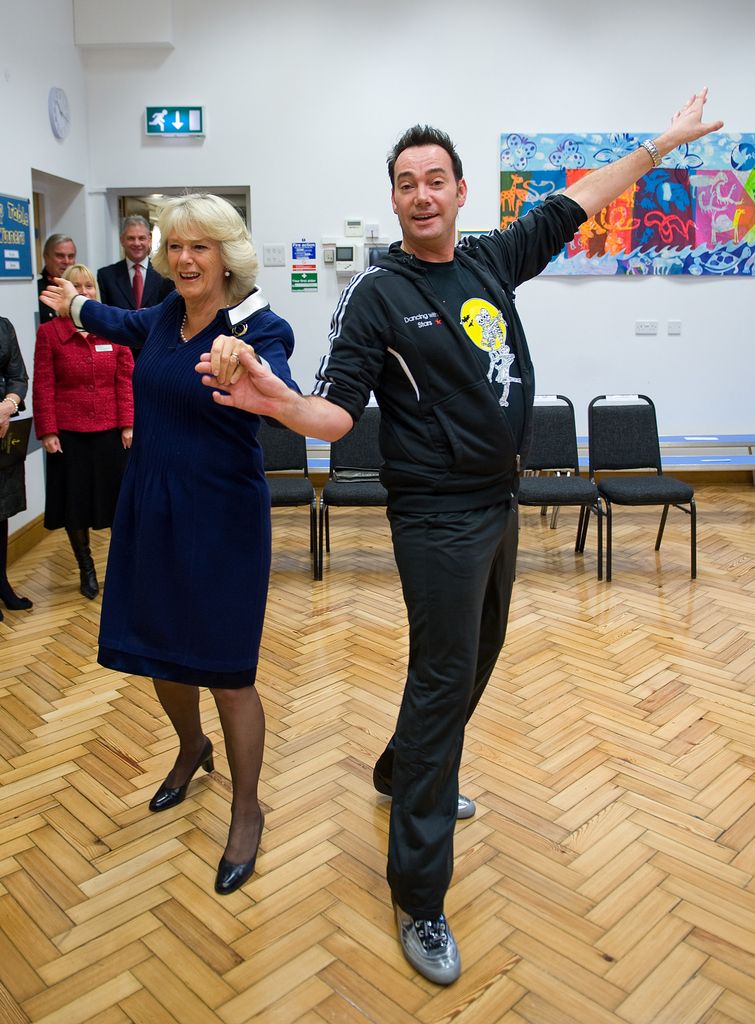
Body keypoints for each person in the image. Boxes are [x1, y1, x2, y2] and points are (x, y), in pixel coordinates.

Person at [197, 89, 723, 982]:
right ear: (394, 199)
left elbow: (576, 201)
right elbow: (336, 413)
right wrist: (276, 403)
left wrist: (659, 146)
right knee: (442, 680)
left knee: (479, 652)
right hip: (434, 515)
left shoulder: (487, 261)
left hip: (497, 500)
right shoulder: (376, 294)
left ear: (460, 191)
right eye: (406, 183)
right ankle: (419, 893)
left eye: (435, 179)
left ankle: (401, 771)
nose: (421, 194)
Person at [41, 193, 299, 896]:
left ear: (227, 256)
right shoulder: (160, 316)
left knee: (227, 671)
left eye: (200, 247)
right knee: (160, 650)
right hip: (151, 507)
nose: (185, 259)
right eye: (175, 246)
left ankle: (247, 811)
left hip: (222, 519)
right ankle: (191, 748)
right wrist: (72, 304)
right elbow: (113, 320)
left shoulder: (258, 326)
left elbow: (282, 391)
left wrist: (249, 364)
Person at [33, 264, 134, 599]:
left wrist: (128, 423)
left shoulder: (113, 328)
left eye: (88, 286)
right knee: (74, 504)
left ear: (96, 291)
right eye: (75, 286)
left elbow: (125, 380)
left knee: (119, 503)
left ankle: (122, 568)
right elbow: (44, 384)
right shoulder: (49, 333)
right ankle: (86, 567)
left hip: (111, 431)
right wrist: (48, 430)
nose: (83, 291)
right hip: (69, 433)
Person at [97, 215, 174, 357]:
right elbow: (106, 318)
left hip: (157, 352)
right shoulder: (106, 276)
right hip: (119, 354)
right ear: (122, 240)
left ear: (149, 239)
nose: (137, 243)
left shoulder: (166, 274)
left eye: (141, 238)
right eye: (131, 238)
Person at [0, 316, 32, 622]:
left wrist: (8, 406)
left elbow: (18, 377)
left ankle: (2, 583)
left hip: (1, 433)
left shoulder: (3, 326)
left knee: (0, 513)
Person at [38, 234, 77, 323]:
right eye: (60, 256)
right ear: (46, 257)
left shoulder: (80, 288)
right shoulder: (35, 289)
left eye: (71, 256)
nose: (66, 261)